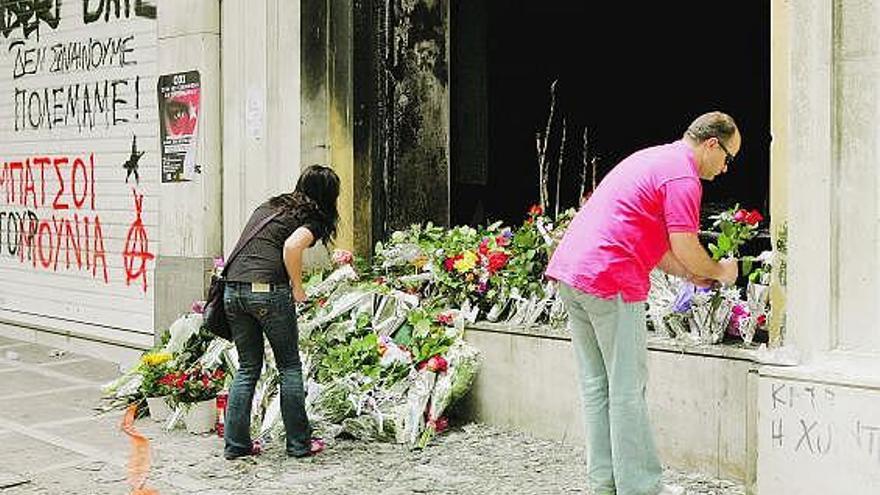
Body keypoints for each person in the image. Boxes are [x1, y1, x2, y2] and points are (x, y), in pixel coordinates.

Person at [545, 112, 740, 495]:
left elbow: (655, 244)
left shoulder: (652, 159)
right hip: (609, 277)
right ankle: (641, 488)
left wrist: (690, 275)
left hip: (573, 273)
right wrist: (720, 271)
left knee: (597, 386)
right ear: (712, 144)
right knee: (627, 390)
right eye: (728, 158)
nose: (726, 169)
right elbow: (684, 244)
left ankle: (605, 484)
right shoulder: (683, 176)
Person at [222, 164, 340, 460]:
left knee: (248, 367)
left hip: (233, 289)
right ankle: (299, 444)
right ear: (329, 196)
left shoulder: (272, 205)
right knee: (289, 367)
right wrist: (298, 287)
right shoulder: (312, 218)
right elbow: (291, 246)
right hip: (268, 292)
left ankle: (236, 446)